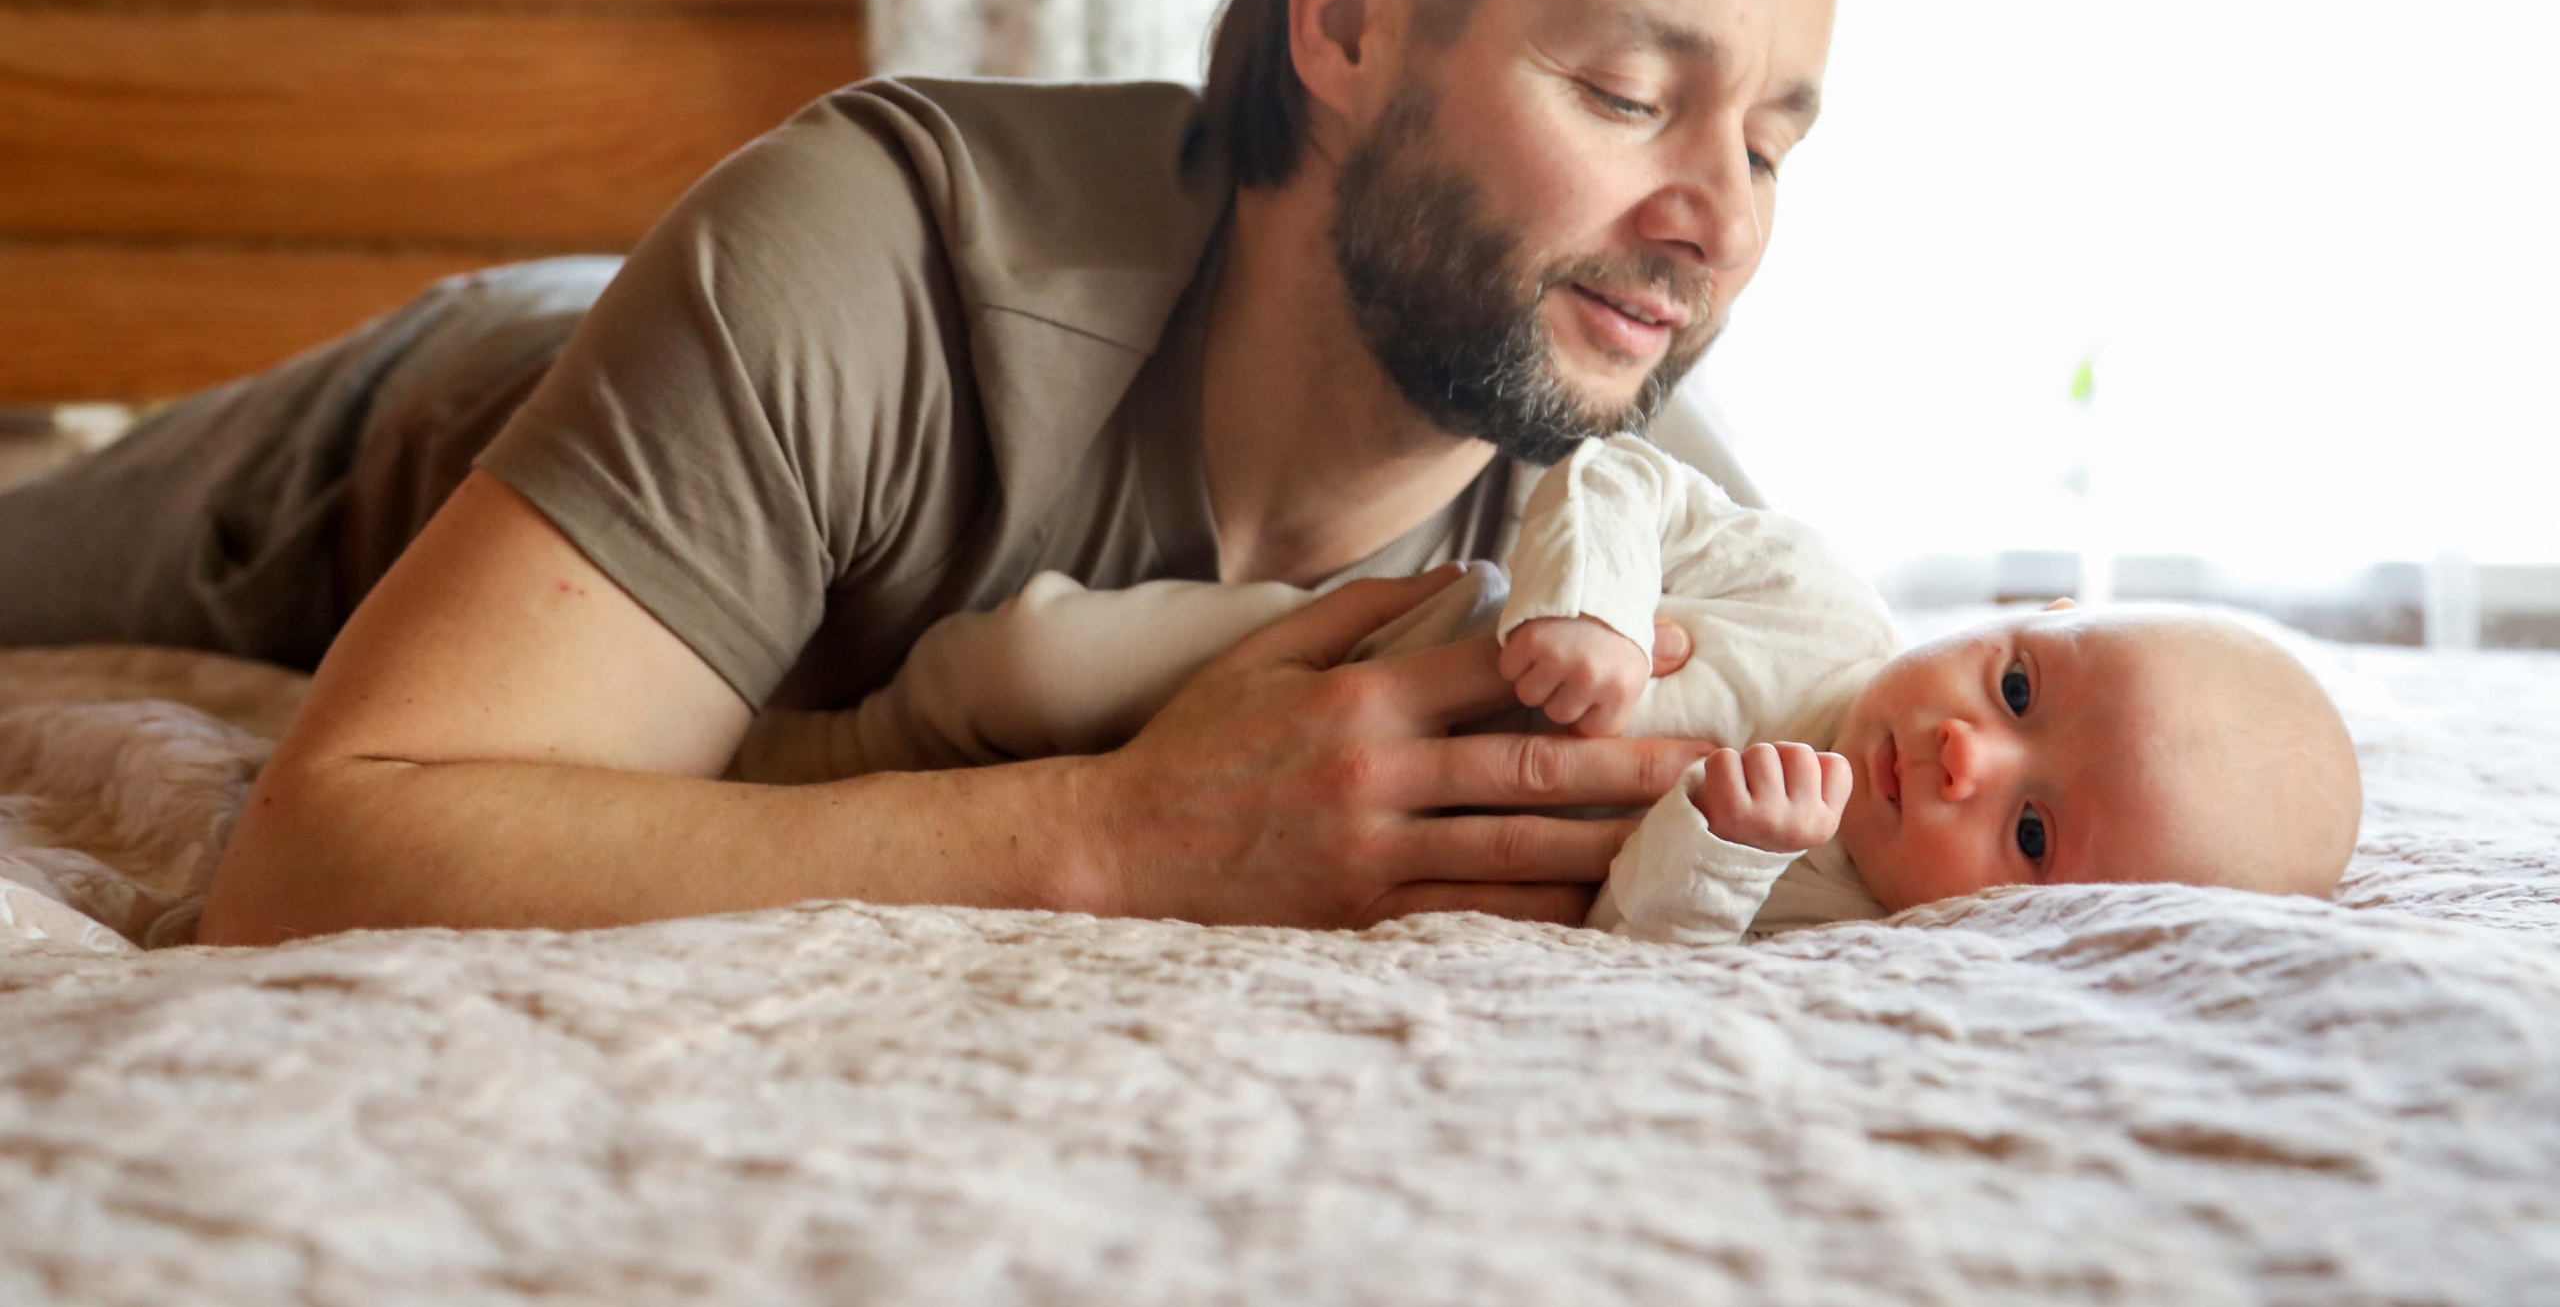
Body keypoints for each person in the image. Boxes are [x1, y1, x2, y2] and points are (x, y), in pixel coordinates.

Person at [0, 0, 1846, 944]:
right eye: (1625, 93)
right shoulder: (878, 252)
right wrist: (1129, 835)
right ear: (1347, 28)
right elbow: (317, 855)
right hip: (436, 425)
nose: (1719, 220)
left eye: (1771, 145)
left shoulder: (1638, 504)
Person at [742, 435, 2364, 944]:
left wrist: (1717, 844)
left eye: (2025, 827)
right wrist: (1596, 609)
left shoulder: (1841, 913)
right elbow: (1622, 472)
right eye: (2017, 680)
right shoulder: (1812, 594)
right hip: (1367, 643)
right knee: (1030, 659)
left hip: (1325, 846)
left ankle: (813, 784)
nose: (1959, 746)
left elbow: (1630, 943)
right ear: (2018, 612)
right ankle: (826, 736)